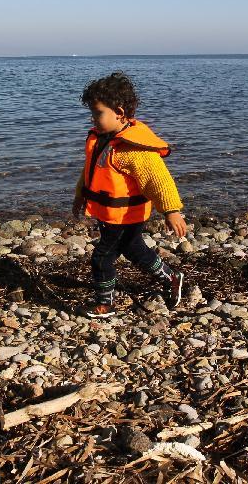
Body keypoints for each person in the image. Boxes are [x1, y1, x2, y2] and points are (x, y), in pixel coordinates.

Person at [73, 71, 188, 318]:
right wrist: (80, 196)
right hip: (109, 213)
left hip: (126, 215)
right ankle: (171, 277)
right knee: (135, 251)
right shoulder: (101, 139)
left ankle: (105, 305)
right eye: (92, 113)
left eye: (98, 113)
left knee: (102, 258)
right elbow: (89, 172)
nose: (93, 120)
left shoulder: (133, 148)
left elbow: (158, 180)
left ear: (120, 112)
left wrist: (172, 211)